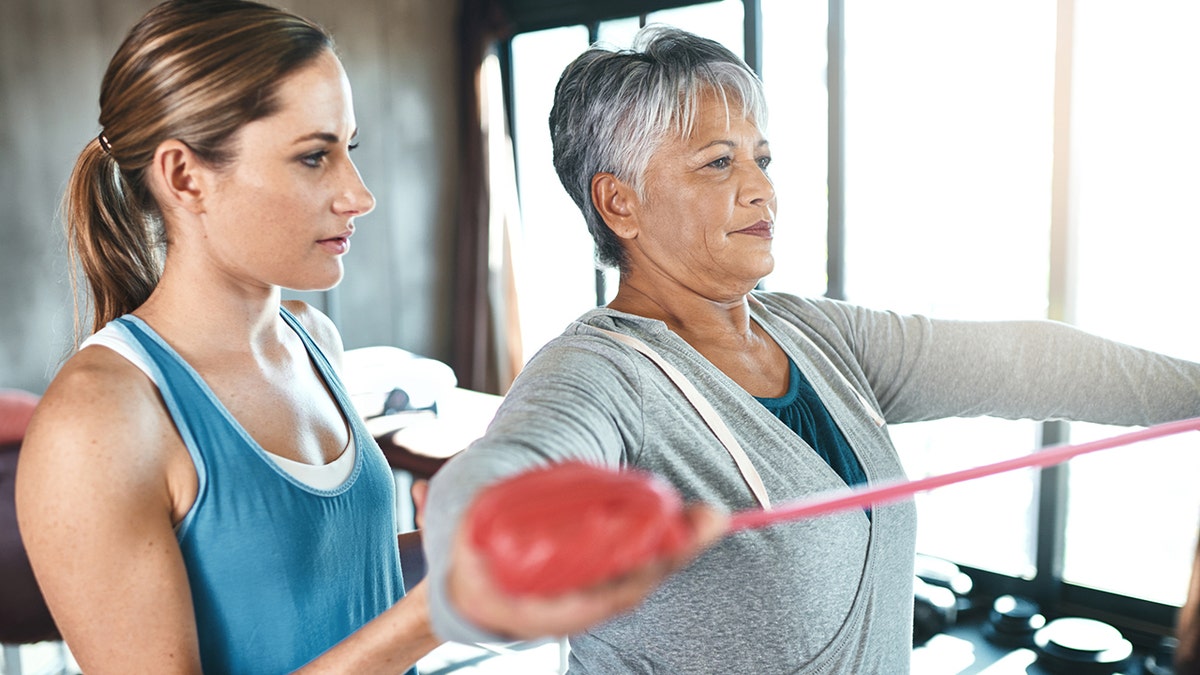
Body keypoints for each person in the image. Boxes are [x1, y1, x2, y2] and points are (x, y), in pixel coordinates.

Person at [421, 25, 1200, 674]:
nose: (762, 188)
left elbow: (1028, 360)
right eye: (718, 162)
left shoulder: (816, 334)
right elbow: (509, 465)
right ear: (620, 200)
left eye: (761, 158)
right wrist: (484, 550)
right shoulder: (601, 372)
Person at [16, 3, 723, 673]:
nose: (360, 194)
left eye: (348, 149)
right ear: (184, 176)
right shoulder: (101, 419)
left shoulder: (313, 339)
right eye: (313, 157)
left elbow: (321, 578)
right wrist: (436, 611)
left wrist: (504, 548)